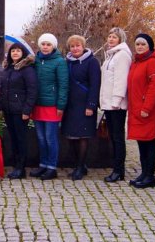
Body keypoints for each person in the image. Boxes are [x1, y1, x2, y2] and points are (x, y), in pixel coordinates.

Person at [30, 33, 68, 181]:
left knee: (50, 138)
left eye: (48, 44)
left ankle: (52, 167)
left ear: (53, 46)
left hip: (52, 106)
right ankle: (43, 164)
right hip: (38, 105)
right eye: (43, 44)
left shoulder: (59, 62)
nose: (45, 47)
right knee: (40, 137)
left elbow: (63, 85)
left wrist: (61, 105)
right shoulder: (36, 60)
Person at [127, 33, 155, 189]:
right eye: (138, 44)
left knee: (149, 142)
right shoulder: (136, 62)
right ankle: (144, 173)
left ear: (150, 46)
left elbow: (154, 87)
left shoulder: (152, 62)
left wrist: (146, 108)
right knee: (141, 142)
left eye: (143, 44)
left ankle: (150, 176)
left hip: (146, 110)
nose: (140, 47)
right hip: (136, 108)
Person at [62, 35, 100, 180]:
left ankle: (80, 167)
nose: (75, 48)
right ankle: (79, 165)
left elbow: (95, 84)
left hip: (85, 105)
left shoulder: (92, 62)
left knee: (82, 136)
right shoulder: (68, 62)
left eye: (78, 45)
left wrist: (91, 105)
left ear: (83, 47)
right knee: (71, 136)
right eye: (72, 46)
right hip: (71, 105)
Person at [0, 42, 38, 179]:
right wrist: (0, 107)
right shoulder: (8, 69)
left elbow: (32, 91)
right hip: (9, 110)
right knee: (14, 139)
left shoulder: (27, 70)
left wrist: (27, 110)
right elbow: (3, 90)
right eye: (13, 51)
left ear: (23, 53)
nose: (15, 53)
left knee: (21, 140)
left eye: (18, 51)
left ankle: (21, 169)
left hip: (20, 111)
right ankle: (16, 165)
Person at [99, 27, 132, 183]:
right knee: (112, 137)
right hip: (108, 103)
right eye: (109, 36)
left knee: (118, 138)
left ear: (120, 39)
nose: (111, 39)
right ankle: (116, 168)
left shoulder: (122, 56)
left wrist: (116, 101)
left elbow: (121, 80)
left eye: (114, 37)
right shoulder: (110, 55)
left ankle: (119, 170)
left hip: (116, 105)